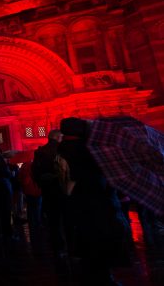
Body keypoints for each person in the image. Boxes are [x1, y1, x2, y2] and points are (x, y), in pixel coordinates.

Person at [57, 117, 130, 285]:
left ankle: (91, 275)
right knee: (102, 243)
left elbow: (66, 183)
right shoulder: (89, 150)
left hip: (76, 205)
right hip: (98, 205)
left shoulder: (61, 151)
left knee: (86, 245)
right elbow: (101, 177)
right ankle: (104, 277)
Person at [32, 129, 67, 257]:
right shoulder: (63, 150)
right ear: (58, 137)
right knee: (67, 219)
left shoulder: (40, 151)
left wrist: (42, 183)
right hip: (63, 190)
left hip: (48, 191)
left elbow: (35, 173)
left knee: (53, 220)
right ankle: (69, 246)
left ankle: (57, 248)